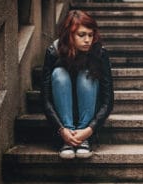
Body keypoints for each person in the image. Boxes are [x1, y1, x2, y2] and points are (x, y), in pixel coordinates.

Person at [41, 10, 114, 159]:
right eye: (82, 35)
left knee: (86, 74)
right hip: (63, 121)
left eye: (90, 35)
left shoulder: (99, 53)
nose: (87, 40)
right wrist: (62, 130)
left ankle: (82, 139)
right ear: (69, 35)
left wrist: (89, 129)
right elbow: (45, 99)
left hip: (88, 121)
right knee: (59, 74)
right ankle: (67, 139)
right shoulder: (53, 52)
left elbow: (108, 100)